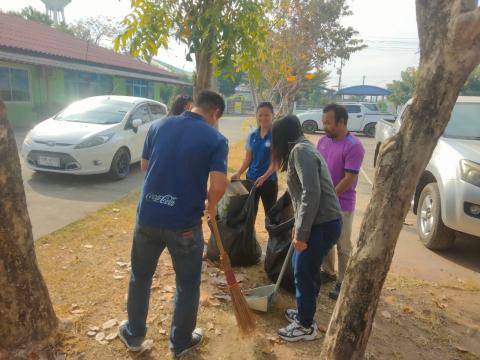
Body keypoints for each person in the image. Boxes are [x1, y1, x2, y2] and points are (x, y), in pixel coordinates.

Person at [118, 91, 228, 358]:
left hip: (148, 217)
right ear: (215, 113)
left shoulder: (158, 125)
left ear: (193, 105)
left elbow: (145, 165)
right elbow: (218, 185)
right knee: (187, 284)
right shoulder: (216, 139)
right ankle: (179, 344)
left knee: (140, 277)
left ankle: (133, 335)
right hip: (184, 225)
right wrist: (211, 205)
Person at [271, 115, 342, 342]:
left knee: (303, 270)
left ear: (282, 137)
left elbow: (310, 193)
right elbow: (303, 194)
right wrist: (298, 227)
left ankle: (305, 325)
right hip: (319, 222)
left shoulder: (300, 151)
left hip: (323, 224)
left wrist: (302, 233)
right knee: (301, 267)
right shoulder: (303, 147)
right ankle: (305, 313)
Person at [317, 103, 365, 300]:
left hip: (342, 204)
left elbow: (349, 178)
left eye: (329, 123)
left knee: (343, 245)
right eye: (324, 122)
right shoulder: (322, 142)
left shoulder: (354, 146)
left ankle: (343, 282)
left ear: (342, 122)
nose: (325, 126)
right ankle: (328, 272)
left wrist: (329, 196)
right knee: (324, 239)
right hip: (323, 200)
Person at [231, 102, 278, 217]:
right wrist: (238, 172)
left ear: (272, 115)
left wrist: (264, 177)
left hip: (268, 181)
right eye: (260, 115)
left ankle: (272, 235)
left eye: (267, 115)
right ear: (256, 116)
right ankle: (250, 235)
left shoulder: (276, 135)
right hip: (251, 180)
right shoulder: (252, 135)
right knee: (250, 214)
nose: (263, 118)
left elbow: (275, 164)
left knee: (270, 214)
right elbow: (248, 158)